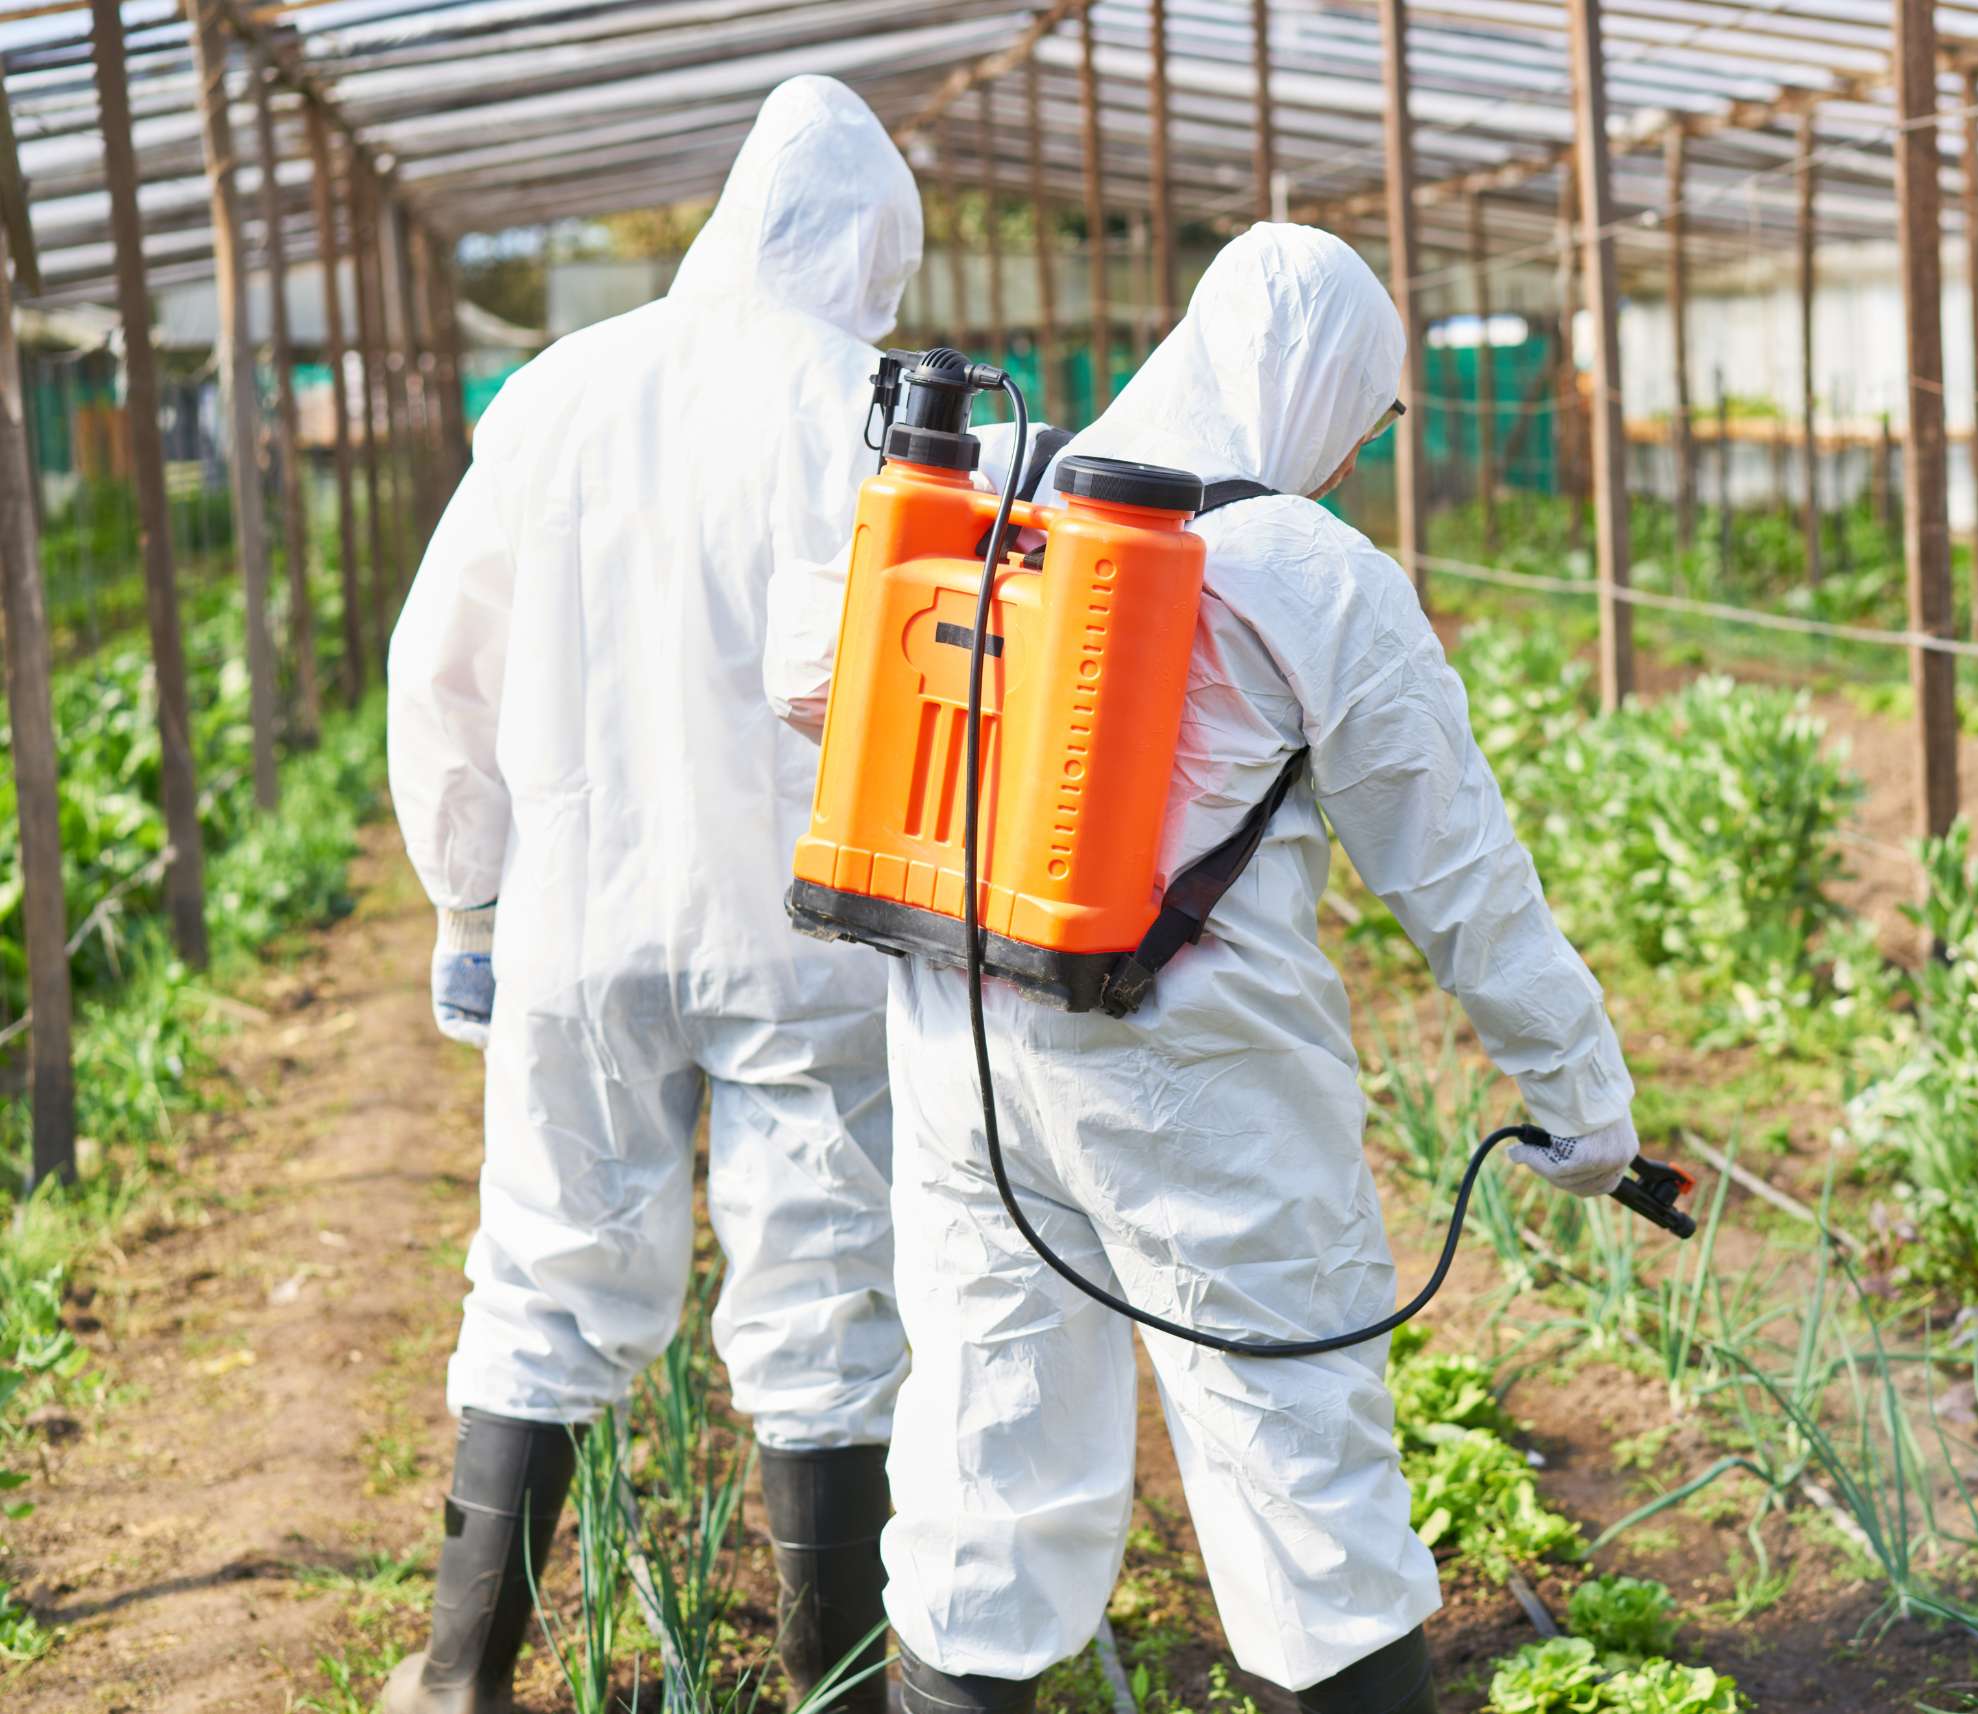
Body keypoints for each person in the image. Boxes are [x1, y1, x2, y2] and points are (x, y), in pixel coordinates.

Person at [765, 222, 1638, 1713]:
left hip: (966, 1049)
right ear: (1315, 387)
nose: (1352, 459)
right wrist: (1584, 1098)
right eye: (1361, 422)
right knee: (1303, 1479)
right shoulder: (1312, 568)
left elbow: (809, 679)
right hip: (1195, 1090)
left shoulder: (984, 508)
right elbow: (1463, 879)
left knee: (987, 1457)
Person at [381, 77, 920, 1714]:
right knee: (828, 1296)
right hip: (806, 937)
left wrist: (466, 898)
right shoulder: (871, 406)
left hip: (578, 927)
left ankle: (459, 1674)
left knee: (541, 1269)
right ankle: (833, 1685)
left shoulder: (561, 392)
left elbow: (438, 659)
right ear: (864, 248)